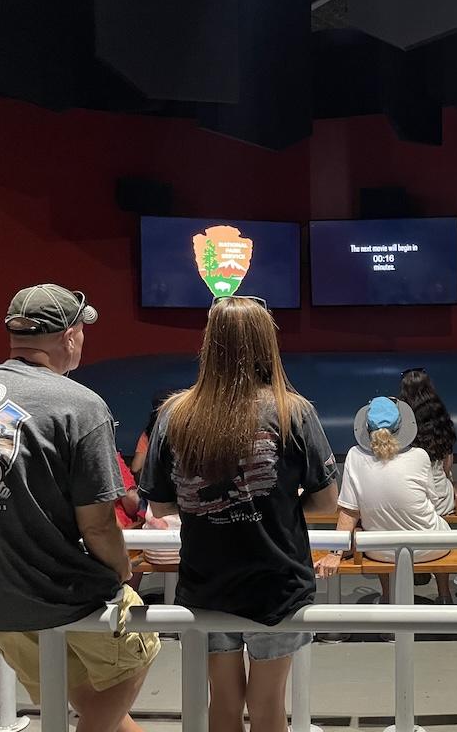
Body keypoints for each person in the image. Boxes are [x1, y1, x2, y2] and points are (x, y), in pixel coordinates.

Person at [0, 284, 160, 732]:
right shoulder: (80, 404)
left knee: (88, 699)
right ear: (70, 336)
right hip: (55, 596)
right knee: (143, 646)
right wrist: (121, 572)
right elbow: (97, 527)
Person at [140, 295, 339, 732]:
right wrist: (279, 506)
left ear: (209, 343)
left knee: (223, 705)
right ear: (267, 343)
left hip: (206, 582)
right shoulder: (294, 411)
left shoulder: (173, 414)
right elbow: (326, 503)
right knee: (268, 707)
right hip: (278, 584)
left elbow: (159, 503)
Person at [315, 396, 454, 605]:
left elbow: (349, 512)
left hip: (380, 551)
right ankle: (445, 596)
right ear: (403, 426)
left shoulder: (354, 456)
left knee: (375, 530)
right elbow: (432, 502)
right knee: (441, 525)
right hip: (427, 548)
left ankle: (388, 598)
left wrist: (336, 553)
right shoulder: (421, 456)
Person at [398, 368, 457, 516]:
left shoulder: (399, 421)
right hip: (441, 503)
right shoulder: (441, 419)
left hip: (406, 504)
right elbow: (446, 467)